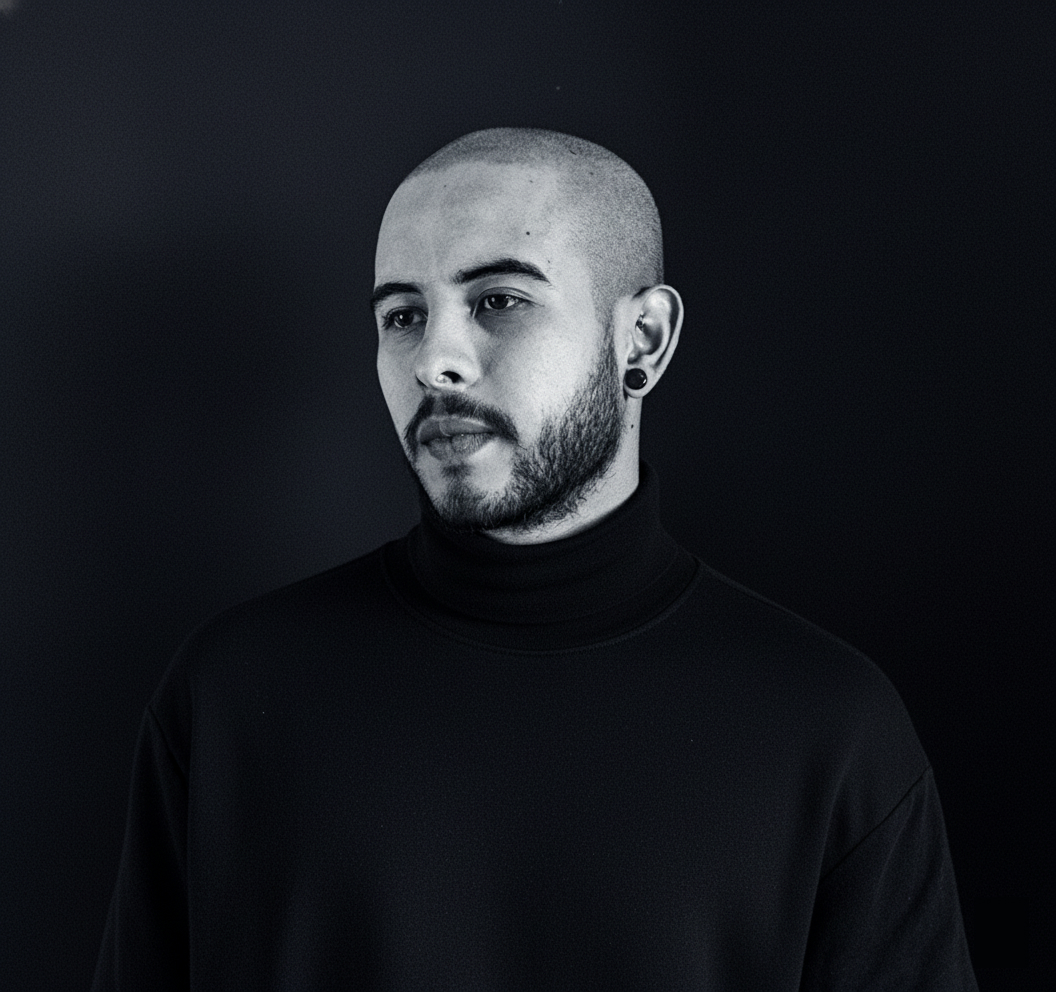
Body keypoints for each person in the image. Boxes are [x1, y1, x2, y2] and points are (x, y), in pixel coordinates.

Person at [92, 127, 978, 989]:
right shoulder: (232, 693)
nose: (435, 360)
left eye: (499, 300)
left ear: (644, 343)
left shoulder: (828, 728)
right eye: (402, 315)